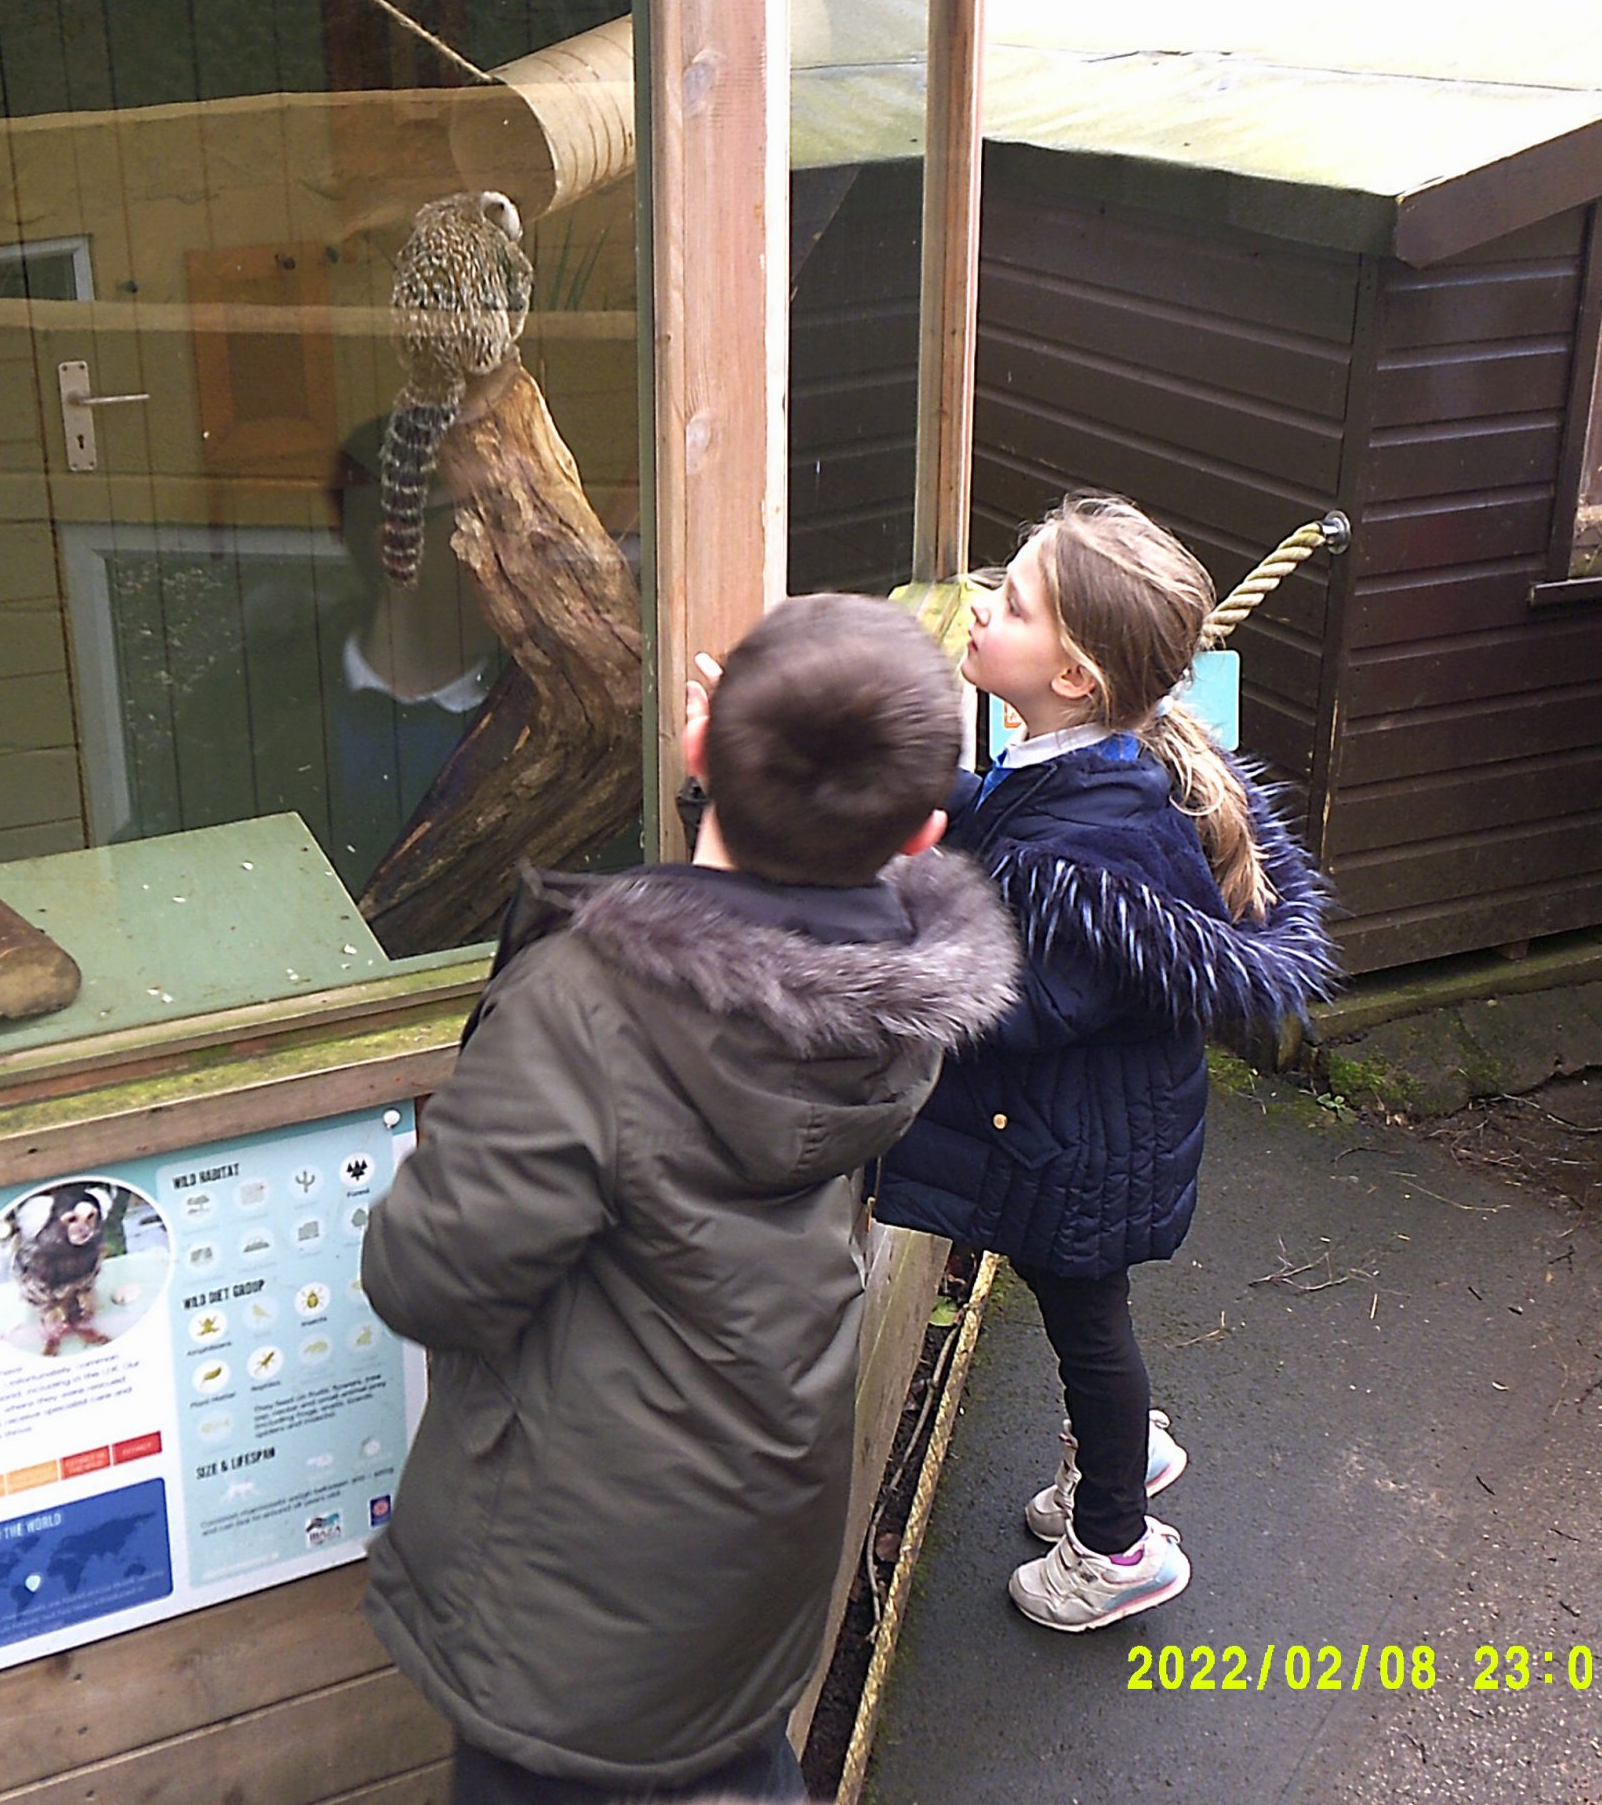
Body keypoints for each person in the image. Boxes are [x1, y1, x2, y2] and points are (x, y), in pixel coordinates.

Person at [359, 593, 1022, 1804]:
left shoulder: (585, 1006)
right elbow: (771, 953)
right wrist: (724, 802)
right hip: (758, 1523)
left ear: (700, 745)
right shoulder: (892, 1005)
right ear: (925, 832)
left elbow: (428, 1277)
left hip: (576, 1584)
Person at [872, 494, 1338, 1632]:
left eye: (1013, 602)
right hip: (1081, 1129)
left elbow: (1016, 1007)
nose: (982, 605)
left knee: (1090, 1327)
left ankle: (1118, 1545)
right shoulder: (1073, 767)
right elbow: (1000, 816)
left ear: (1074, 676)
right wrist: (925, 794)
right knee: (1087, 1321)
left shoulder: (1097, 850)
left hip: (1078, 1149)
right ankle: (1122, 1451)